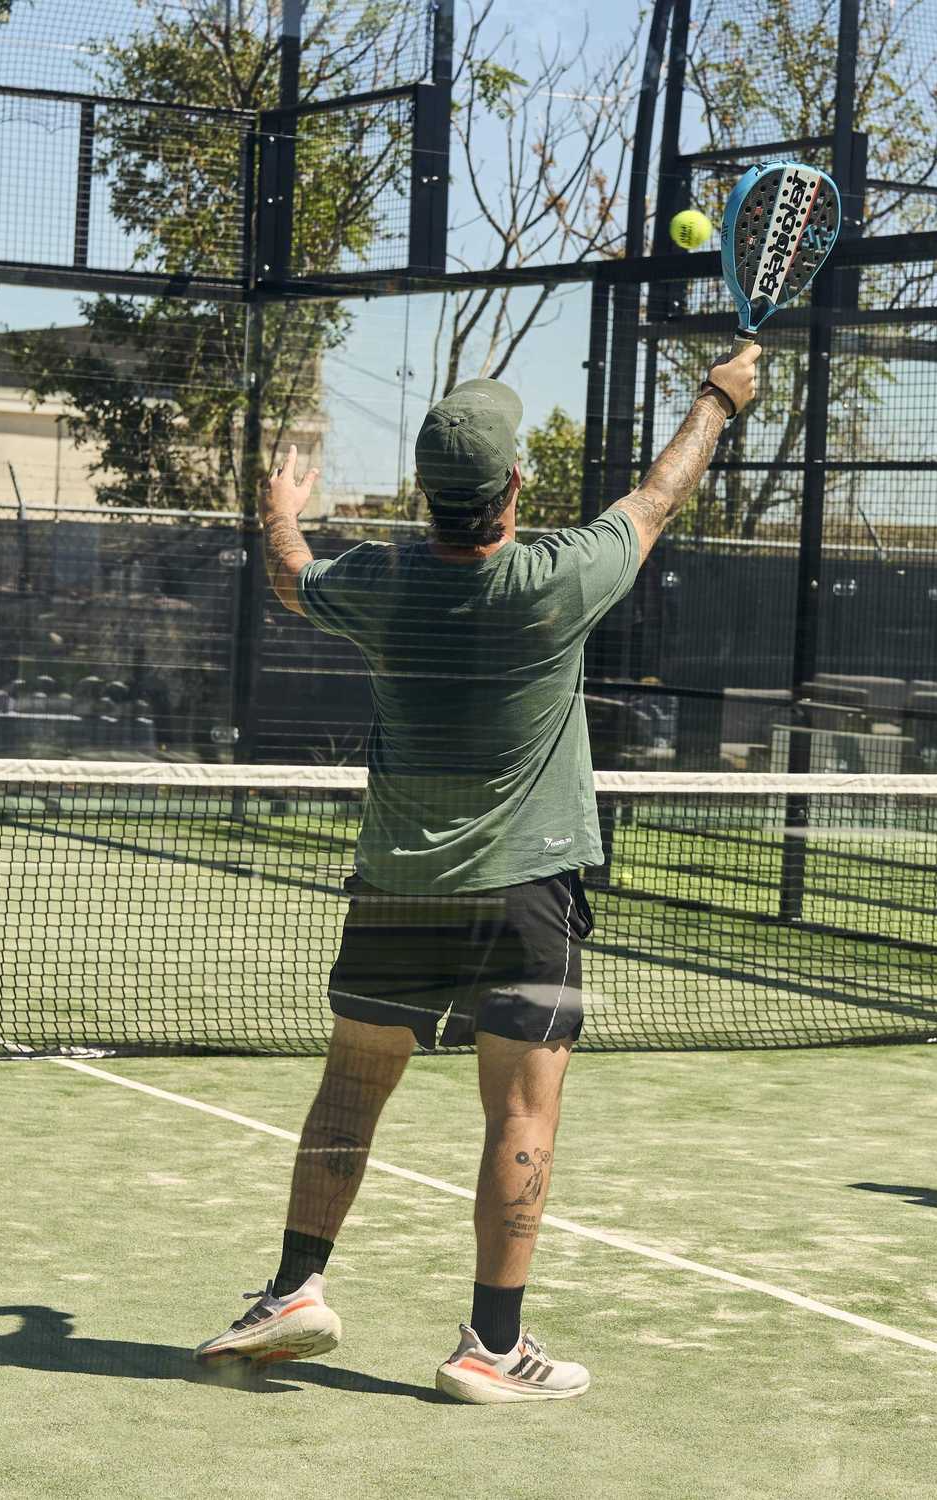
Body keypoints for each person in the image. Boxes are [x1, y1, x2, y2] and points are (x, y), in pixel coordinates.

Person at [193, 346, 763, 1399]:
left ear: (426, 495)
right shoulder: (558, 579)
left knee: (348, 1093)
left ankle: (293, 1289)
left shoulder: (376, 583)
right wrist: (717, 401)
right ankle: (490, 1349)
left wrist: (279, 505)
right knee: (520, 1117)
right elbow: (658, 492)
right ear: (512, 488)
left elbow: (288, 572)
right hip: (527, 893)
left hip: (398, 887)